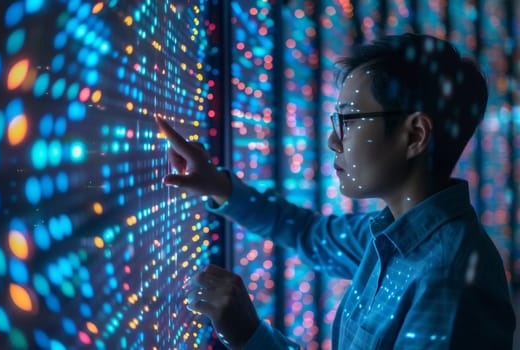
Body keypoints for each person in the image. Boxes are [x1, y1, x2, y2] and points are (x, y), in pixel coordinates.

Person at [155, 33, 516, 349]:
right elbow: (308, 232)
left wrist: (248, 334)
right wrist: (217, 185)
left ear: (415, 135)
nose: (333, 140)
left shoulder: (447, 280)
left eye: (349, 119)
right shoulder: (391, 236)